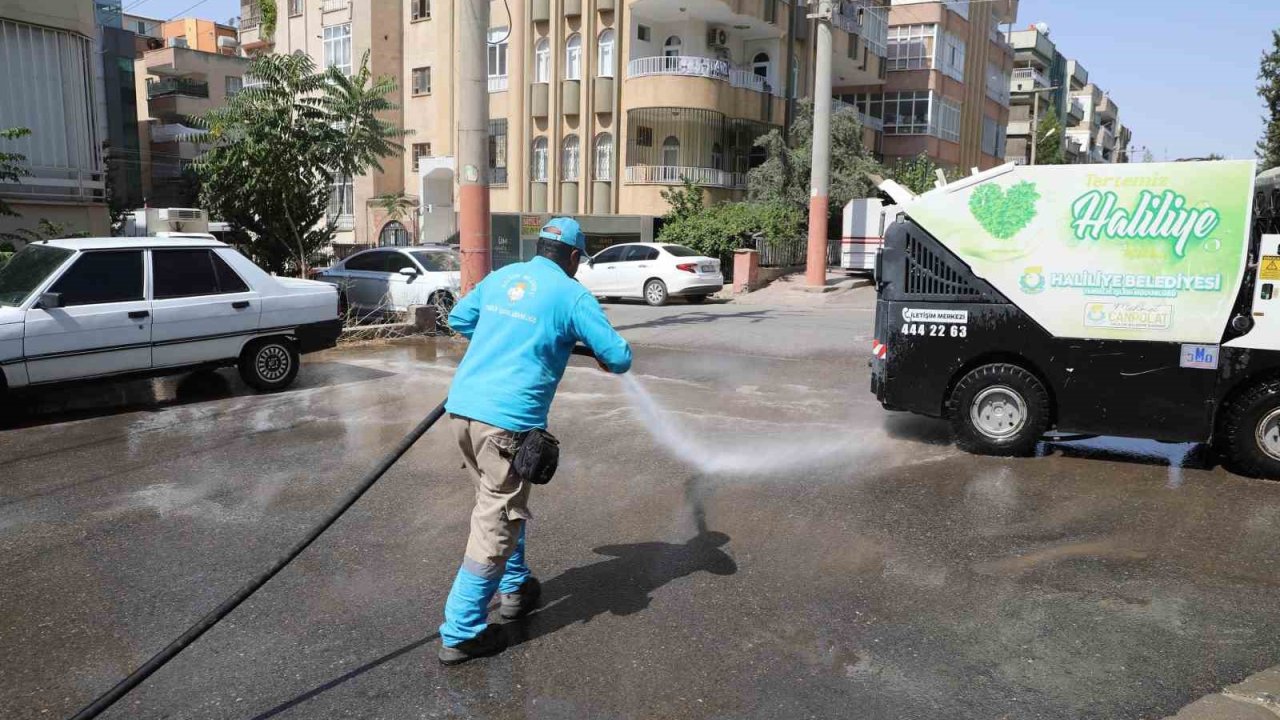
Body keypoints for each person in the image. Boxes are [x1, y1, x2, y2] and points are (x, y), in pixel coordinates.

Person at [438, 217, 632, 665]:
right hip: (507, 424)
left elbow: (459, 317)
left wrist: (502, 342)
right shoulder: (571, 294)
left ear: (540, 247)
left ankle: (515, 586)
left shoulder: (503, 277)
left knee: (499, 500)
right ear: (572, 257)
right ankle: (461, 631)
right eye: (578, 260)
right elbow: (619, 357)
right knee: (496, 521)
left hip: (463, 411)